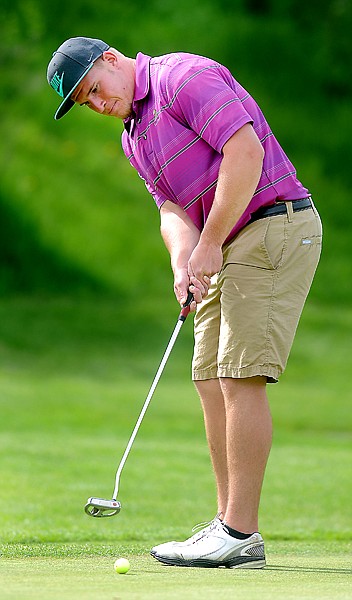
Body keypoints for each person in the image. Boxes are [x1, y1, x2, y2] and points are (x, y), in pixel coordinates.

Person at [47, 37, 322, 569]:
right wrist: (184, 260)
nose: (100, 105)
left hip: (272, 223)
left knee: (239, 375)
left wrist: (211, 243)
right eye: (88, 103)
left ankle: (239, 532)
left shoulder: (182, 79)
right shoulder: (134, 137)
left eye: (95, 90)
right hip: (228, 239)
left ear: (110, 59)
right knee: (208, 375)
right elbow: (172, 207)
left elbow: (246, 152)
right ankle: (229, 525)